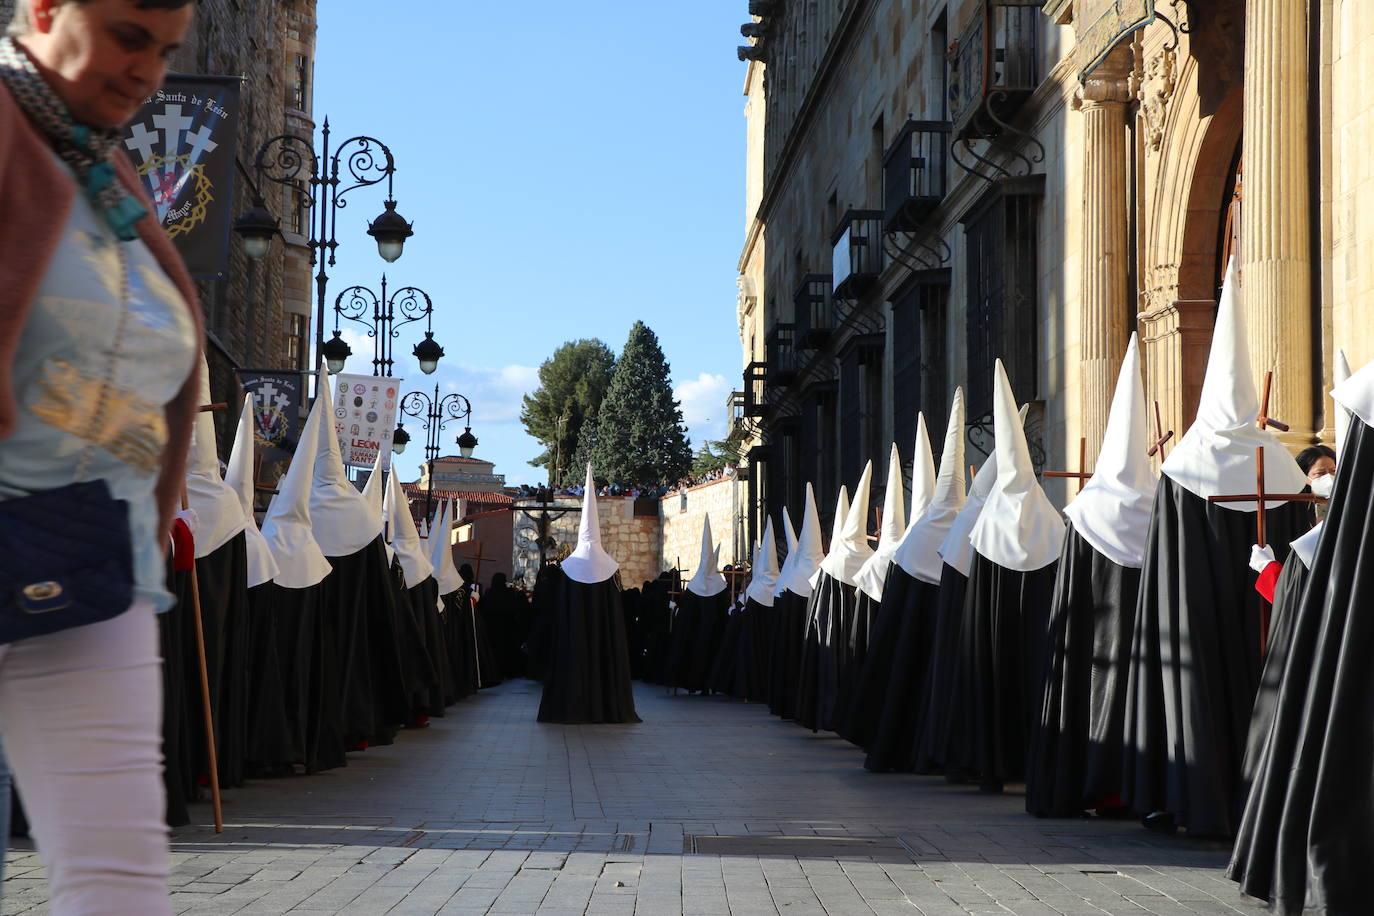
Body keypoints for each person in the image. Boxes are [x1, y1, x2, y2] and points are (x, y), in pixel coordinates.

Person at [0, 1, 200, 911]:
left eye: (166, 50)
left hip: (88, 560)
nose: (150, 72)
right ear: (45, 8)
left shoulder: (102, 166)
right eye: (129, 35)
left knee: (120, 886)